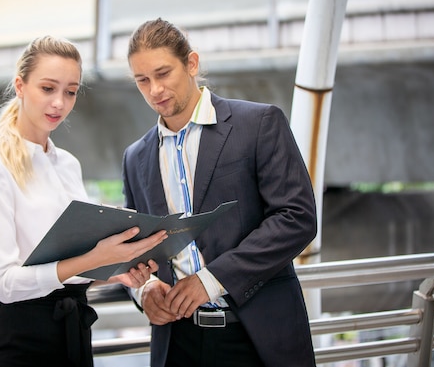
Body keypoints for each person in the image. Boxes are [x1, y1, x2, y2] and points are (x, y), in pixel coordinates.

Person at [122, 18, 318, 367]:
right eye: (142, 80)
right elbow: (134, 246)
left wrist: (212, 281)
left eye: (163, 73)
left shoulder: (259, 124)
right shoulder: (135, 157)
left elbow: (297, 218)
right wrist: (144, 289)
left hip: (257, 338)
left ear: (192, 63)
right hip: (176, 345)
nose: (154, 89)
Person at [0, 35, 167, 367]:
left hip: (73, 331)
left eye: (70, 92)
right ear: (20, 85)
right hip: (19, 339)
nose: (59, 102)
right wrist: (91, 261)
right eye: (48, 88)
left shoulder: (68, 164)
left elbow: (70, 262)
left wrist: (115, 270)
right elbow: (4, 283)